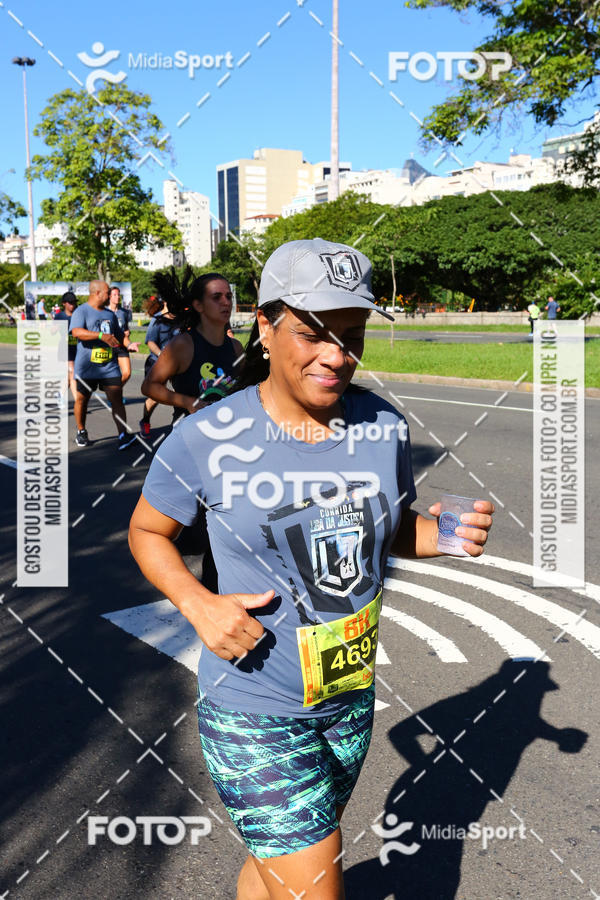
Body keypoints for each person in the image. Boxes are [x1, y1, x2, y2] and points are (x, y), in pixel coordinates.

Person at [129, 238, 495, 900]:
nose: (336, 356)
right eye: (313, 334)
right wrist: (197, 602)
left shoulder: (381, 425)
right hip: (253, 703)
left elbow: (382, 532)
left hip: (347, 695)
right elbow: (149, 530)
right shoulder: (209, 435)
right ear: (265, 328)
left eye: (352, 337)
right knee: (316, 884)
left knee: (282, 862)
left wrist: (441, 534)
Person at [141, 267, 244, 425]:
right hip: (190, 436)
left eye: (228, 296)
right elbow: (149, 386)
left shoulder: (236, 347)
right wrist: (188, 402)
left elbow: (247, 387)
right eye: (217, 297)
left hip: (228, 434)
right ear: (198, 305)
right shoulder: (183, 345)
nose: (226, 302)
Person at [69, 279, 138, 449]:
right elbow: (77, 332)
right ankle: (81, 430)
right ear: (97, 293)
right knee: (82, 400)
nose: (109, 295)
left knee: (116, 399)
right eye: (107, 292)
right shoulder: (81, 311)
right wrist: (100, 336)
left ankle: (123, 435)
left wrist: (129, 345)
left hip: (108, 366)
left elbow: (120, 335)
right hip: (87, 367)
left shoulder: (109, 314)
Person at [139, 299, 181, 436]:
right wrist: (162, 355)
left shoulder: (179, 319)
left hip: (177, 364)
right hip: (157, 363)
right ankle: (145, 420)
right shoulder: (157, 320)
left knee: (180, 394)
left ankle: (178, 426)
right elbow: (150, 342)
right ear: (165, 303)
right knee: (155, 398)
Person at [107, 285, 139, 387]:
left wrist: (127, 333)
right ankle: (114, 393)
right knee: (110, 375)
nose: (117, 297)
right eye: (114, 295)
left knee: (127, 373)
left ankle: (115, 390)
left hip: (122, 346)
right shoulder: (104, 312)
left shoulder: (124, 312)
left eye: (118, 295)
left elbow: (126, 328)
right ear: (109, 297)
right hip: (109, 346)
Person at [54, 291, 79, 402]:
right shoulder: (60, 316)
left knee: (70, 376)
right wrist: (57, 327)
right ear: (64, 303)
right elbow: (52, 332)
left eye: (73, 302)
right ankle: (78, 402)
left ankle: (60, 394)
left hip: (77, 347)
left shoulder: (78, 314)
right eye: (69, 303)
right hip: (65, 347)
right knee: (72, 372)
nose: (72, 305)